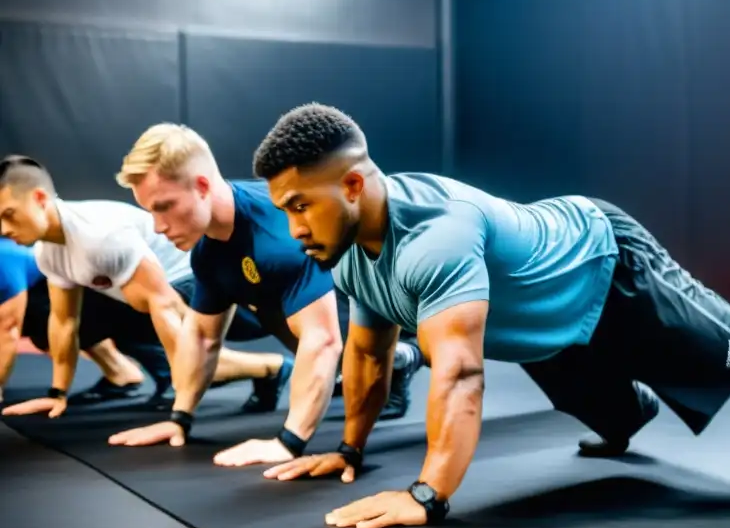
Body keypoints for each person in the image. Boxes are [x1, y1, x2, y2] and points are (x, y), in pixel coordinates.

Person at [251, 103, 730, 528]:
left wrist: (427, 495)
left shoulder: (437, 236)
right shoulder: (346, 252)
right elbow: (368, 359)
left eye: (298, 205)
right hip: (544, 326)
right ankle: (625, 406)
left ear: (350, 184)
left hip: (605, 265)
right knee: (615, 422)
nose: (291, 227)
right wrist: (348, 450)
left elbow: (461, 375)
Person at [105, 124, 422, 466]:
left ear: (201, 187)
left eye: (163, 207)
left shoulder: (278, 235)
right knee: (263, 310)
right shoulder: (208, 254)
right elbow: (201, 338)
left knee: (367, 354)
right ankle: (387, 362)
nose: (157, 226)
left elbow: (323, 340)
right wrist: (179, 418)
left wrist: (289, 442)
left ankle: (404, 354)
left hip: (406, 308)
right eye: (150, 211)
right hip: (329, 320)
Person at [0, 154, 288, 420]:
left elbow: (162, 302)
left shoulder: (98, 236)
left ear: (39, 198)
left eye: (8, 214)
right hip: (149, 297)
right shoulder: (47, 251)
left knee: (187, 363)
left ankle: (273, 367)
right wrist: (57, 394)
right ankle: (145, 374)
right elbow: (65, 321)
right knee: (67, 319)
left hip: (203, 286)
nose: (2, 228)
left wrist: (182, 402)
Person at [0, 235, 156, 406]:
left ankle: (143, 375)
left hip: (70, 286)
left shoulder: (4, 260)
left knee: (54, 330)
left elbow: (8, 328)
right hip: (43, 285)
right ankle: (121, 372)